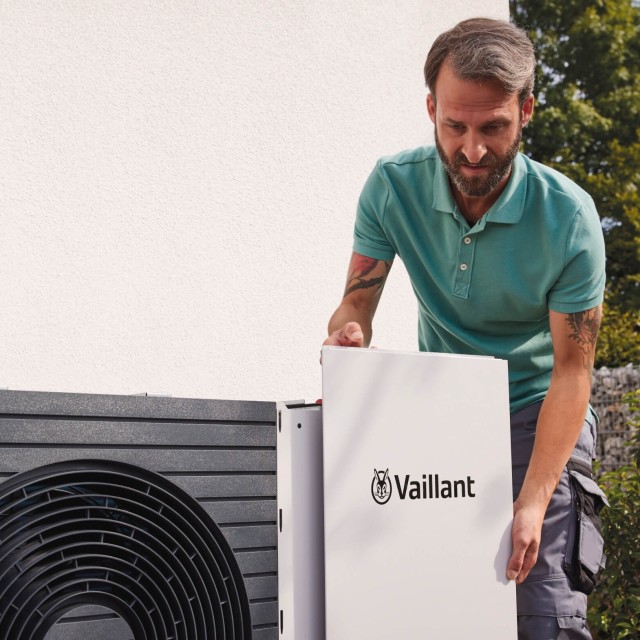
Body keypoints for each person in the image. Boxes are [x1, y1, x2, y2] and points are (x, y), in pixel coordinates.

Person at [323, 17, 608, 640]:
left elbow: (571, 371)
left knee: (540, 606)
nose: (472, 150)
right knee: (435, 604)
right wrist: (347, 341)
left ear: (526, 109)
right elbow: (354, 309)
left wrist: (532, 501)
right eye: (454, 126)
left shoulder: (569, 220)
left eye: (493, 127)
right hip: (441, 412)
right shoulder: (391, 187)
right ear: (431, 108)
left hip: (540, 408)